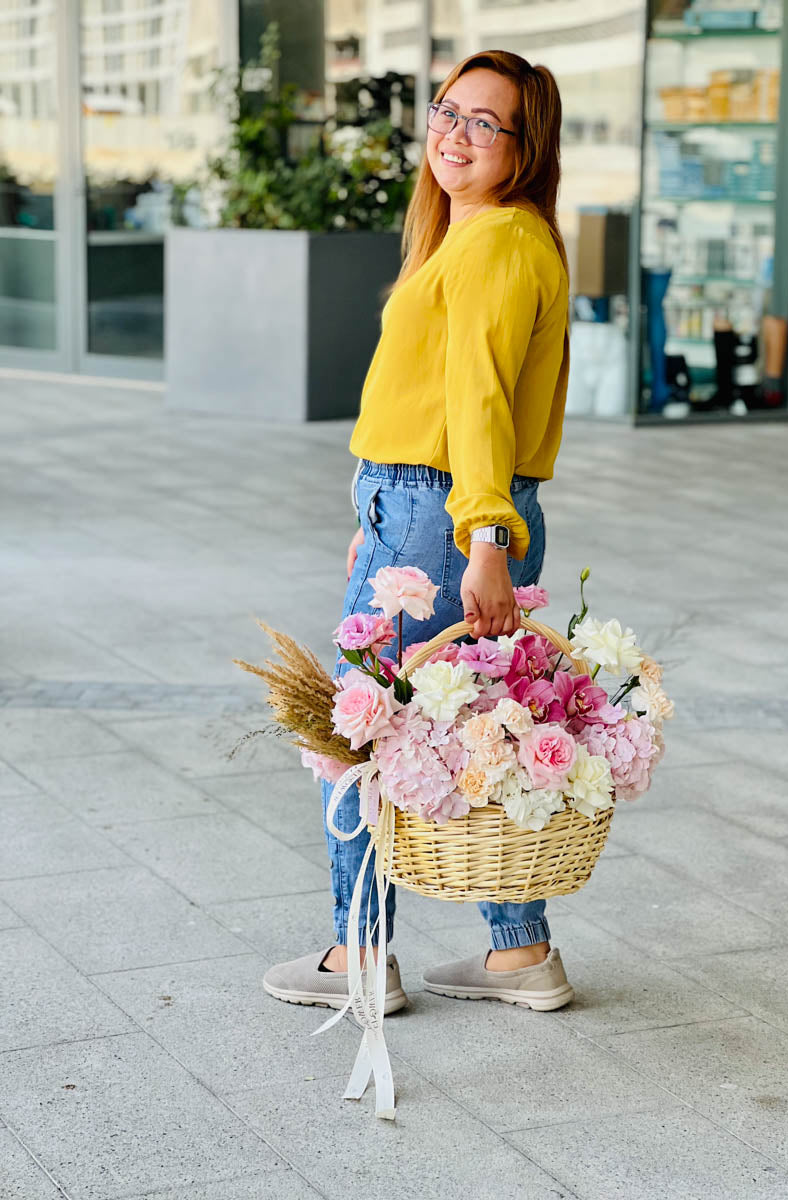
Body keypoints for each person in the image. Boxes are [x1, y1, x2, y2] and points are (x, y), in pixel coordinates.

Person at [263, 49, 574, 1014]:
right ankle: (521, 955)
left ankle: (360, 955)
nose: (455, 134)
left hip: (441, 513)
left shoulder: (492, 244)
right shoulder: (490, 237)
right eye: (448, 111)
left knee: (356, 734)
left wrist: (480, 536)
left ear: (527, 147)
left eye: (488, 123)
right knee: (478, 725)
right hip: (436, 512)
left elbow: (477, 399)